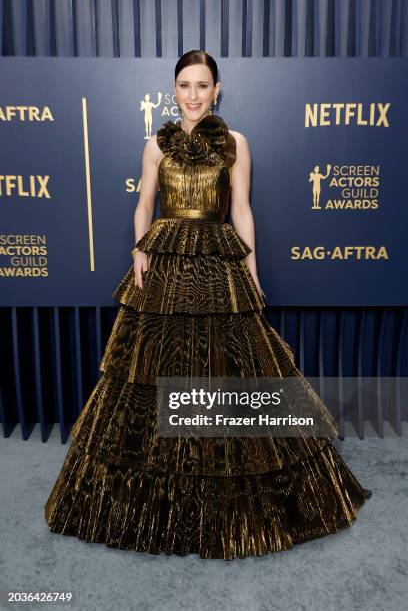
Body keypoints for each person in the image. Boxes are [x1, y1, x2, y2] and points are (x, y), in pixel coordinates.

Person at [44, 50, 371, 560]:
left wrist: (252, 272)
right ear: (172, 90)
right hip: (166, 266)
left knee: (227, 373)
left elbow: (241, 209)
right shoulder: (155, 145)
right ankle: (161, 502)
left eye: (202, 85)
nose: (193, 95)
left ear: (217, 90)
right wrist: (139, 248)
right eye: (184, 85)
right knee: (152, 377)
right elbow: (143, 205)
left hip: (218, 264)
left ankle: (226, 500)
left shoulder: (237, 144)